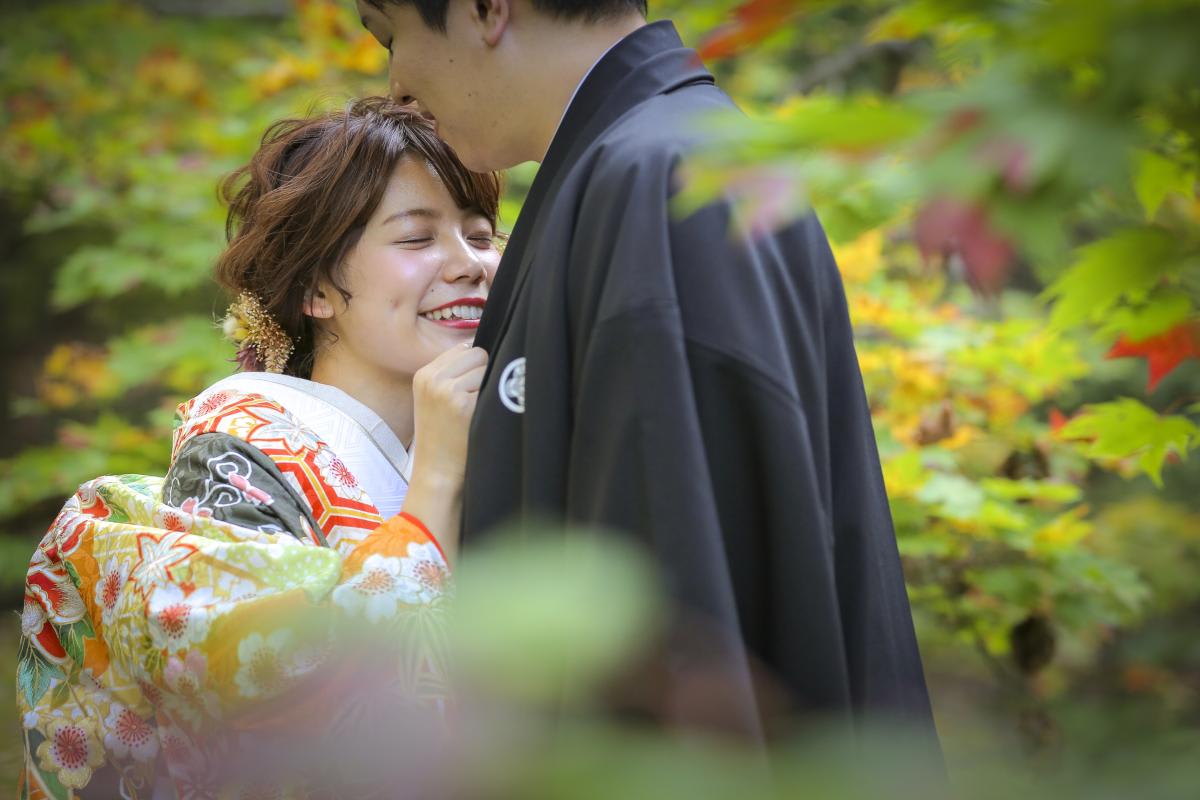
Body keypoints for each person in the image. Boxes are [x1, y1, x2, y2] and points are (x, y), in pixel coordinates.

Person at [357, 0, 939, 743]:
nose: (397, 83)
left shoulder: (657, 180)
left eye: (390, 35)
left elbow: (672, 612)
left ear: (486, 9)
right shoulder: (664, 159)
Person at [16, 97, 501, 798]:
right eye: (417, 238)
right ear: (316, 288)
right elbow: (258, 694)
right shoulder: (238, 447)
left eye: (481, 235)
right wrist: (436, 483)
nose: (469, 264)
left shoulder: (508, 418)